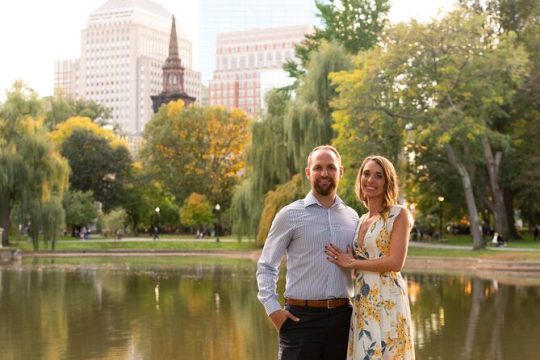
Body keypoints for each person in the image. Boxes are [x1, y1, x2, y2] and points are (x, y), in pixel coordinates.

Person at [257, 145, 359, 360]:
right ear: (308, 172)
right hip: (300, 320)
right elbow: (267, 265)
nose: (324, 173)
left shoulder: (353, 218)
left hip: (344, 319)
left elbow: (359, 267)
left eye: (331, 167)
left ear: (340, 172)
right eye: (318, 167)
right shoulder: (289, 215)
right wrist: (273, 309)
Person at [325, 155, 415, 359]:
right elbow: (361, 261)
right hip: (363, 298)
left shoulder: (399, 214)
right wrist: (351, 262)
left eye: (378, 176)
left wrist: (353, 262)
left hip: (388, 298)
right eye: (366, 174)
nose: (370, 180)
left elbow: (396, 262)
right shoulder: (362, 219)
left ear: (387, 182)